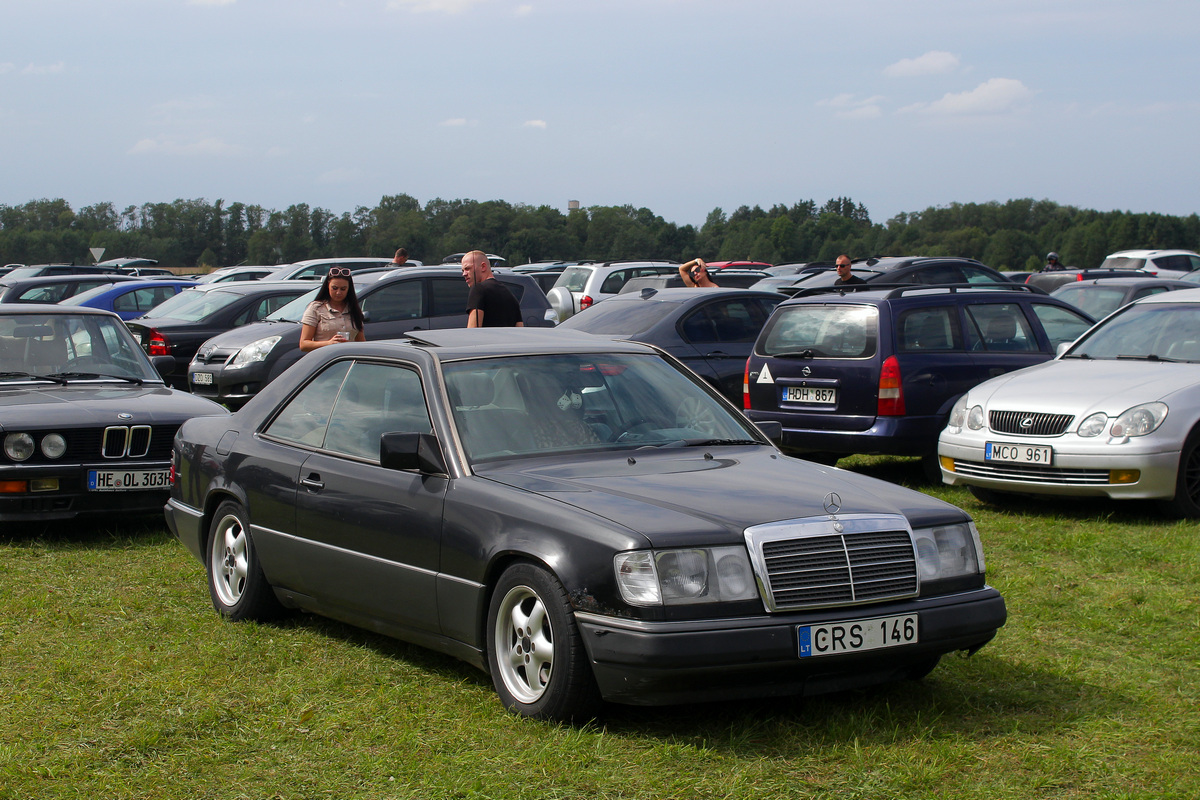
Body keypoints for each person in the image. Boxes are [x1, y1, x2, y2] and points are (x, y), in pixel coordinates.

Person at [299, 267, 366, 351]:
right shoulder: (316, 308)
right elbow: (304, 344)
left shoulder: (353, 309)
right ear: (328, 285)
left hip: (347, 359)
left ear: (349, 289)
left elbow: (361, 343)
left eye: (343, 289)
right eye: (334, 288)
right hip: (325, 359)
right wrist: (329, 343)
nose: (338, 292)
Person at [461, 250, 523, 327]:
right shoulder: (511, 296)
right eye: (463, 270)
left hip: (486, 339)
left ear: (483, 267)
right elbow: (519, 329)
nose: (464, 274)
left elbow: (473, 331)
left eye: (467, 268)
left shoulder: (478, 289)